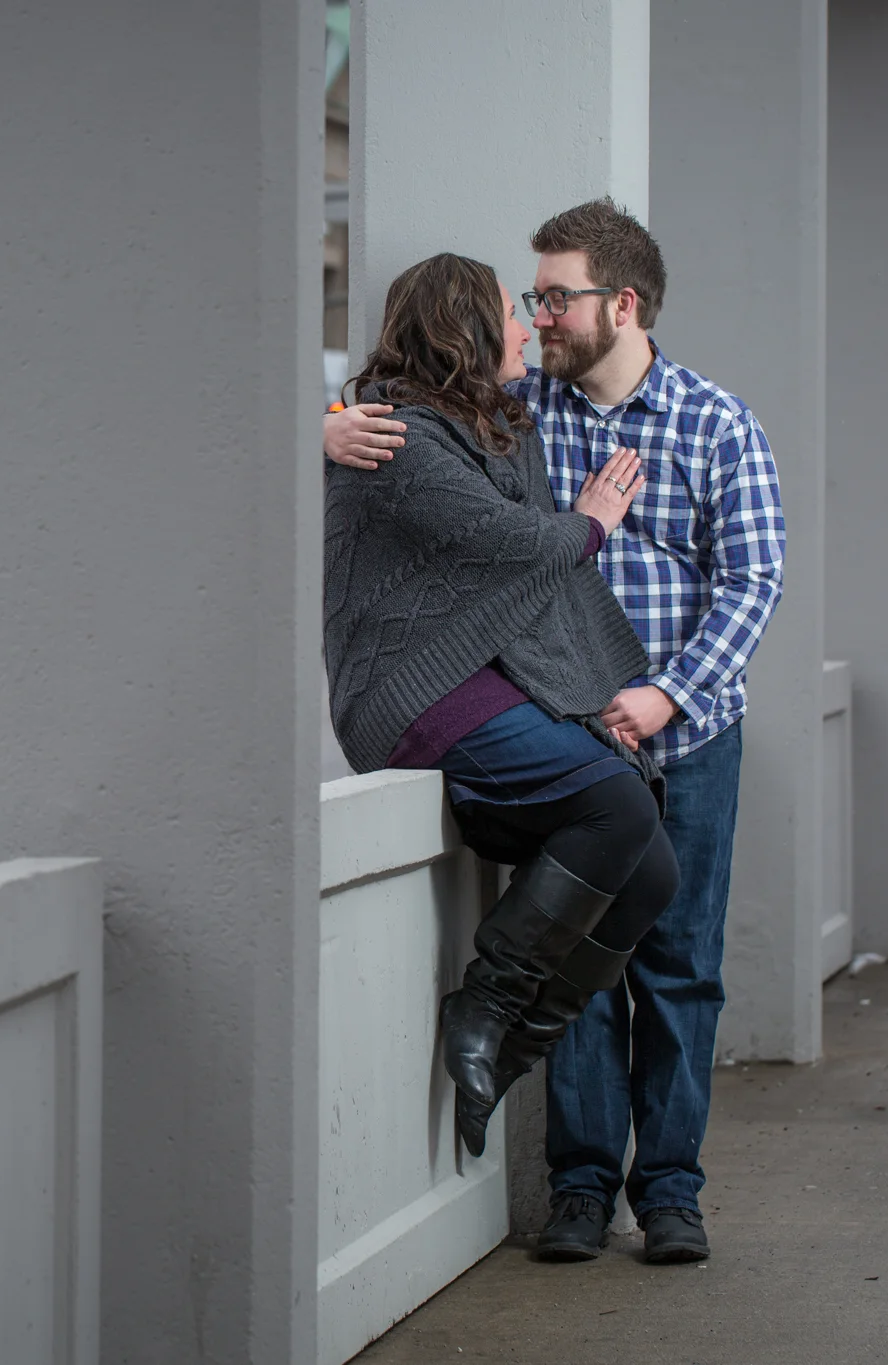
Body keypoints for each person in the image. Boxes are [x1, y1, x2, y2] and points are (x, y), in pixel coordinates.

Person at [326, 200, 785, 1266]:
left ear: (620, 304)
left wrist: (669, 695)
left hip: (687, 731)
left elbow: (752, 582)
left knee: (680, 969)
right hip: (567, 722)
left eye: (554, 298)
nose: (537, 319)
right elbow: (407, 415)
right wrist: (324, 425)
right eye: (528, 301)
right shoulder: (518, 406)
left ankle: (669, 1193)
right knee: (581, 961)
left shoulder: (716, 423)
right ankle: (579, 1190)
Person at [323, 251, 680, 1161]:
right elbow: (515, 544)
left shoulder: (498, 429)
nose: (526, 325)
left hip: (484, 678)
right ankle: (485, 1002)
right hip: (411, 688)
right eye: (511, 312)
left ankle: (522, 1039)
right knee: (618, 804)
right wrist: (592, 522)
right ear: (469, 329)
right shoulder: (398, 438)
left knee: (651, 872)